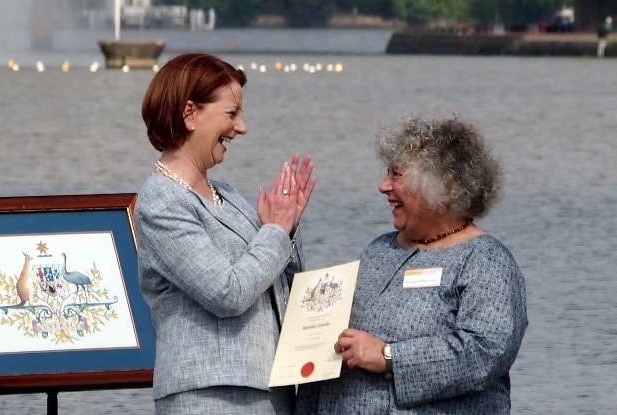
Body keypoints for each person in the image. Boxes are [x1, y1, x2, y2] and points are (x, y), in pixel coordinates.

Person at [295, 115, 527, 414]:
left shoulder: (486, 260)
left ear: (439, 186)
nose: (383, 186)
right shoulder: (380, 249)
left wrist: (390, 357)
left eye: (396, 174)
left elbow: (485, 353)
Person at [134, 53, 316, 414]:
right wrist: (275, 232)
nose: (241, 127)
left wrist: (286, 232)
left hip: (270, 389)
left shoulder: (228, 196)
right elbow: (226, 292)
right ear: (189, 114)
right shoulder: (161, 202)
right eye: (231, 114)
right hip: (209, 397)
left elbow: (276, 287)